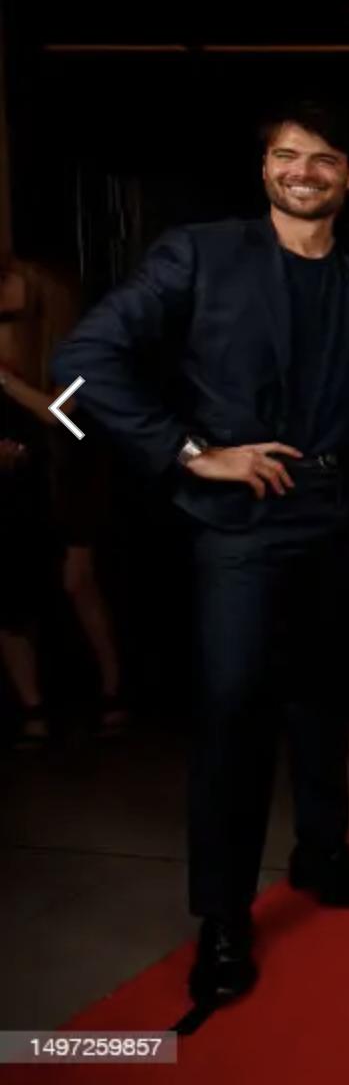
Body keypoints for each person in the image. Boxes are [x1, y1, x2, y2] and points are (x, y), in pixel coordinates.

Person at [52, 102, 349, 1008]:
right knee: (235, 720)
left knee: (326, 703)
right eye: (288, 157)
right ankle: (225, 918)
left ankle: (322, 857)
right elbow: (76, 364)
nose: (305, 172)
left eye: (325, 159)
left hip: (344, 515)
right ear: (267, 169)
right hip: (243, 526)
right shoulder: (201, 252)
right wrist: (192, 452)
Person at [1, 254, 125, 747]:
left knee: (78, 583)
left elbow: (61, 416)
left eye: (5, 280)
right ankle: (33, 708)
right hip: (22, 482)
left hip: (75, 477)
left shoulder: (82, 352)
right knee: (10, 596)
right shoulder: (10, 340)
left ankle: (114, 689)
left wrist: (5, 380)